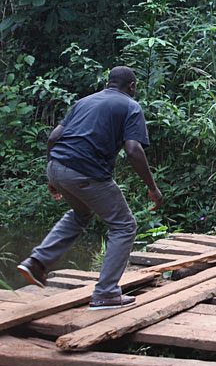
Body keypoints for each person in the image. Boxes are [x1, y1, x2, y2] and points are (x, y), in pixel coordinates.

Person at [17, 66, 164, 310]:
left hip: (57, 165)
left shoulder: (83, 102)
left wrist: (53, 177)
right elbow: (133, 150)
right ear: (132, 86)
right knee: (124, 226)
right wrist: (152, 187)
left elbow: (54, 137)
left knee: (81, 214)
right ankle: (106, 293)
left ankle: (37, 262)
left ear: (109, 82)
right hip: (87, 172)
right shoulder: (130, 106)